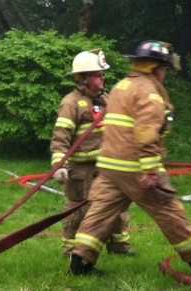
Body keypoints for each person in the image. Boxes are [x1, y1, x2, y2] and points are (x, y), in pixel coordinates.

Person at [69, 41, 191, 278]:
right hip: (135, 167)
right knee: (168, 209)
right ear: (156, 68)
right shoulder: (149, 93)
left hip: (110, 166)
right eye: (164, 69)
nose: (165, 74)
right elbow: (146, 133)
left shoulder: (121, 86)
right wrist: (151, 170)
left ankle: (80, 262)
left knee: (100, 214)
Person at [50, 50, 130, 253]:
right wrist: (59, 164)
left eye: (102, 74)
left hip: (107, 166)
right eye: (98, 75)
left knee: (115, 204)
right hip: (81, 170)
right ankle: (72, 249)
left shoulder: (107, 99)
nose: (103, 78)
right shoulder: (71, 103)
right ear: (83, 78)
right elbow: (61, 136)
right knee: (78, 209)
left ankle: (119, 244)